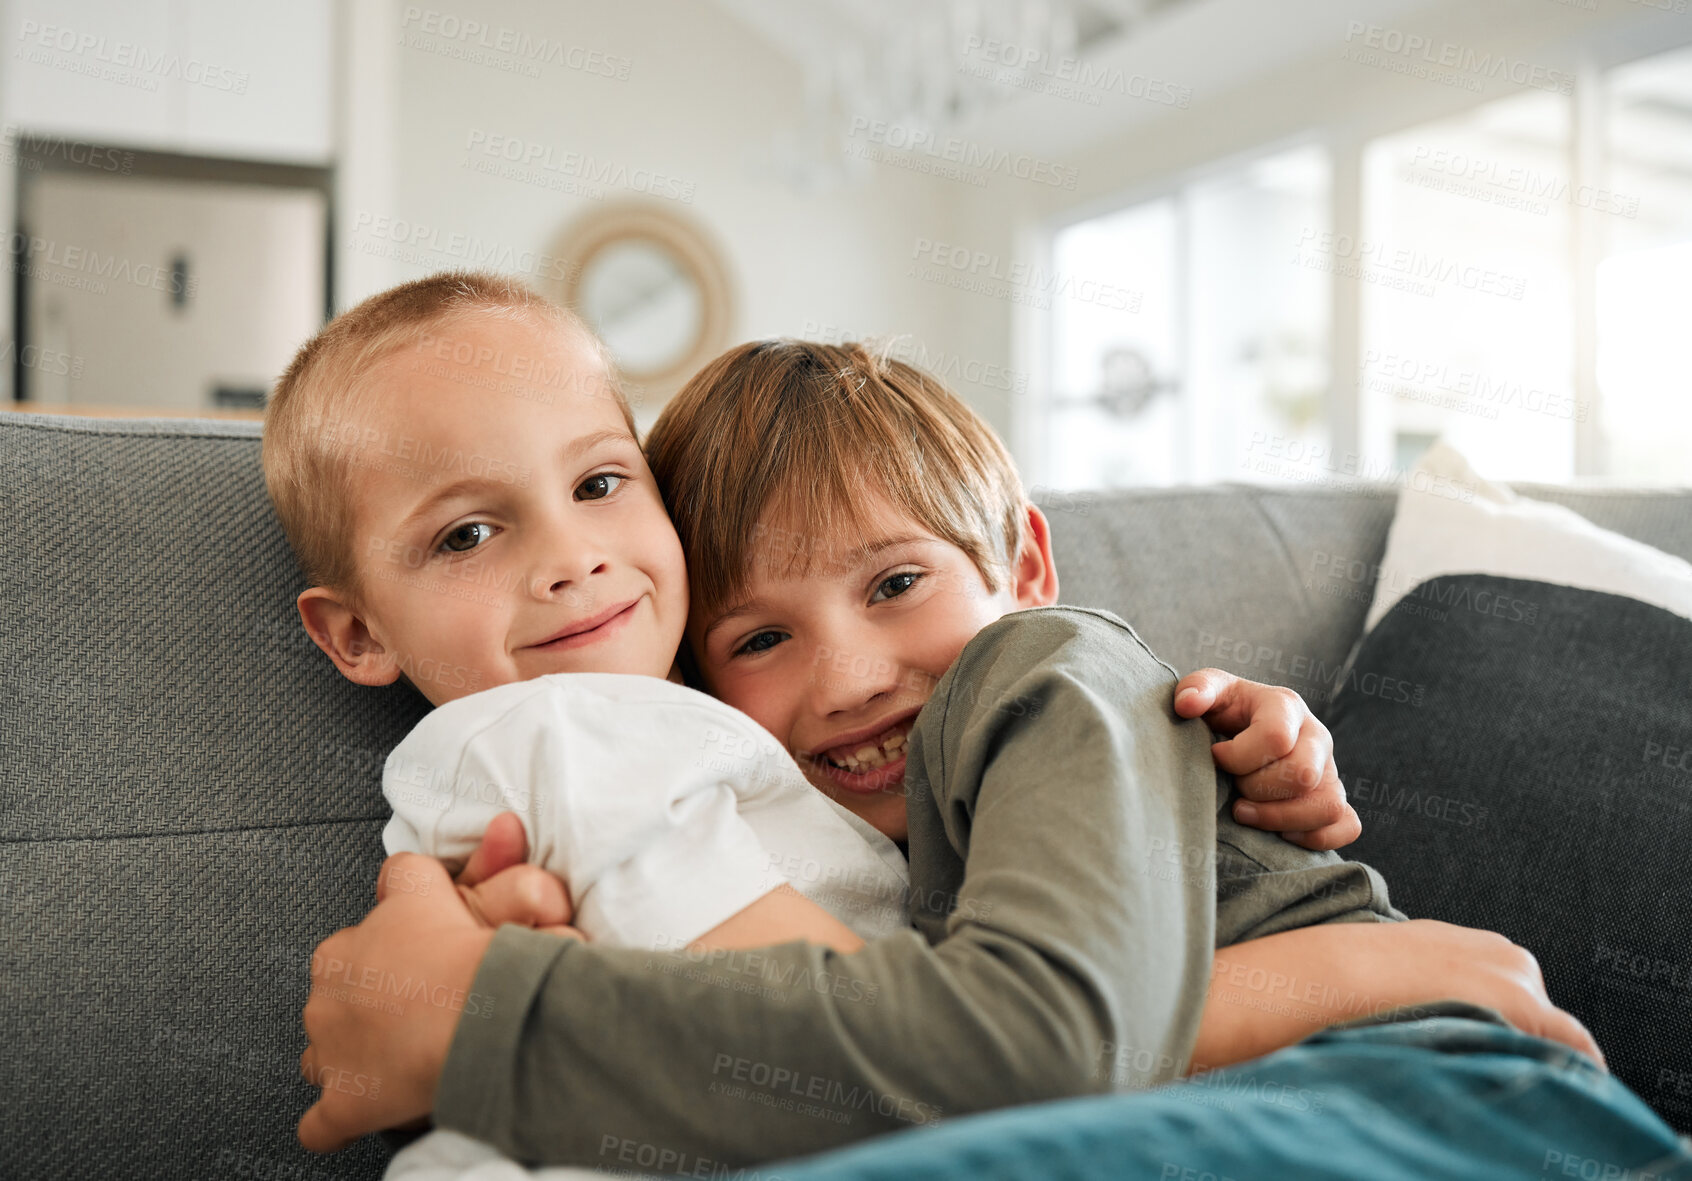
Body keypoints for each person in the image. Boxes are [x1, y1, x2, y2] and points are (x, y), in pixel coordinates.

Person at [296, 327, 1604, 1172]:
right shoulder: (811, 835)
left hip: (1417, 1094)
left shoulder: (1046, 669)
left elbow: (1028, 1045)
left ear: (1024, 562)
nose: (852, 679)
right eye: (759, 640)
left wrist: (478, 1028)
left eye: (896, 583)